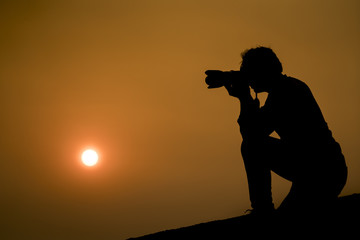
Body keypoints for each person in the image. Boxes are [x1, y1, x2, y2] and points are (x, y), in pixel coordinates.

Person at [206, 47, 347, 216]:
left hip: (321, 172)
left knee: (251, 146)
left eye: (249, 73)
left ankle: (262, 209)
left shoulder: (285, 92)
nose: (248, 79)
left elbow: (253, 135)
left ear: (261, 71)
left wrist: (244, 98)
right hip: (317, 169)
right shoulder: (286, 88)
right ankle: (263, 209)